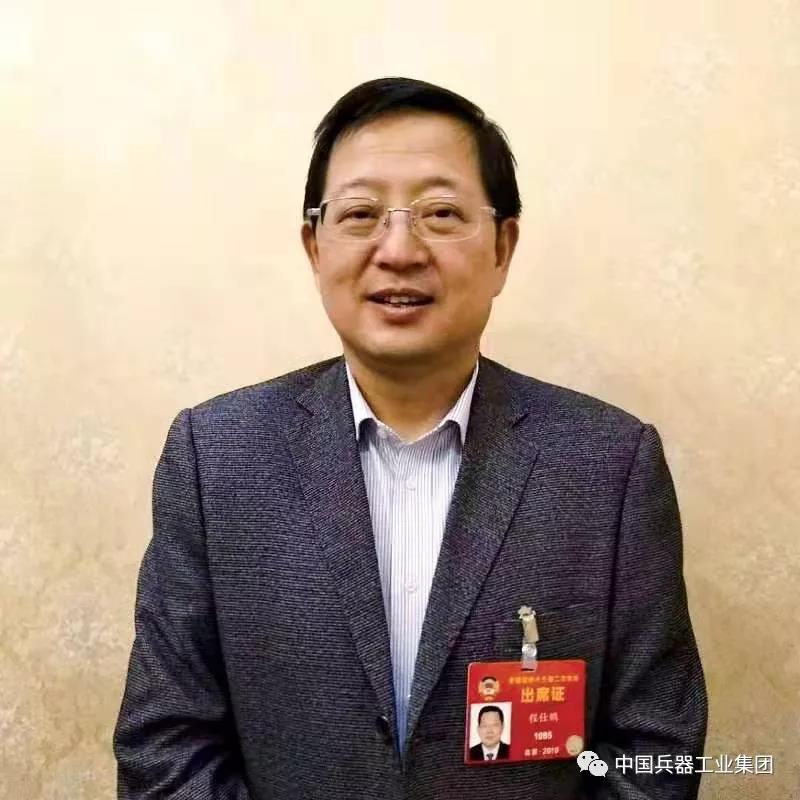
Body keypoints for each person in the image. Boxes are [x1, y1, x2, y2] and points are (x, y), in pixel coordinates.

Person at [114, 77, 708, 799]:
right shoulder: (216, 457)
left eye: (441, 213)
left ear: (503, 247)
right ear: (314, 246)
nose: (398, 250)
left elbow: (655, 750)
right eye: (361, 214)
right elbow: (166, 746)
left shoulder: (609, 465)